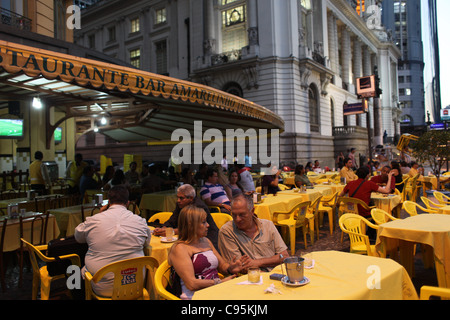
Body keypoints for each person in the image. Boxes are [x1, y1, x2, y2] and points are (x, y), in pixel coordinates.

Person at [74, 185, 151, 297]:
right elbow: (146, 243)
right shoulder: (140, 221)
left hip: (102, 287)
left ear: (108, 202)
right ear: (128, 203)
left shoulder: (94, 220)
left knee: (74, 270)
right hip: (135, 284)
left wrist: (100, 214)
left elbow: (78, 237)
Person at [168, 205, 245, 300]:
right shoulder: (180, 248)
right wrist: (219, 283)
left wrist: (230, 268)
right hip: (194, 296)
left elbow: (222, 266)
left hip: (215, 292)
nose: (208, 225)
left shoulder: (205, 241)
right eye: (203, 222)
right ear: (191, 225)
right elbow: (191, 284)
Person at [218, 194, 289, 272]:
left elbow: (284, 256)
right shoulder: (227, 231)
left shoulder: (267, 225)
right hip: (251, 279)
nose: (237, 219)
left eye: (242, 215)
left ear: (252, 211)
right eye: (234, 215)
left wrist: (259, 262)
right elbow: (239, 267)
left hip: (276, 273)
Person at [153, 184, 220, 249]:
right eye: (178, 197)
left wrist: (171, 231)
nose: (178, 201)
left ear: (191, 198)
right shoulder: (180, 204)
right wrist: (163, 228)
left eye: (181, 198)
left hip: (208, 239)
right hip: (192, 239)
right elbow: (172, 220)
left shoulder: (198, 207)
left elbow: (192, 228)